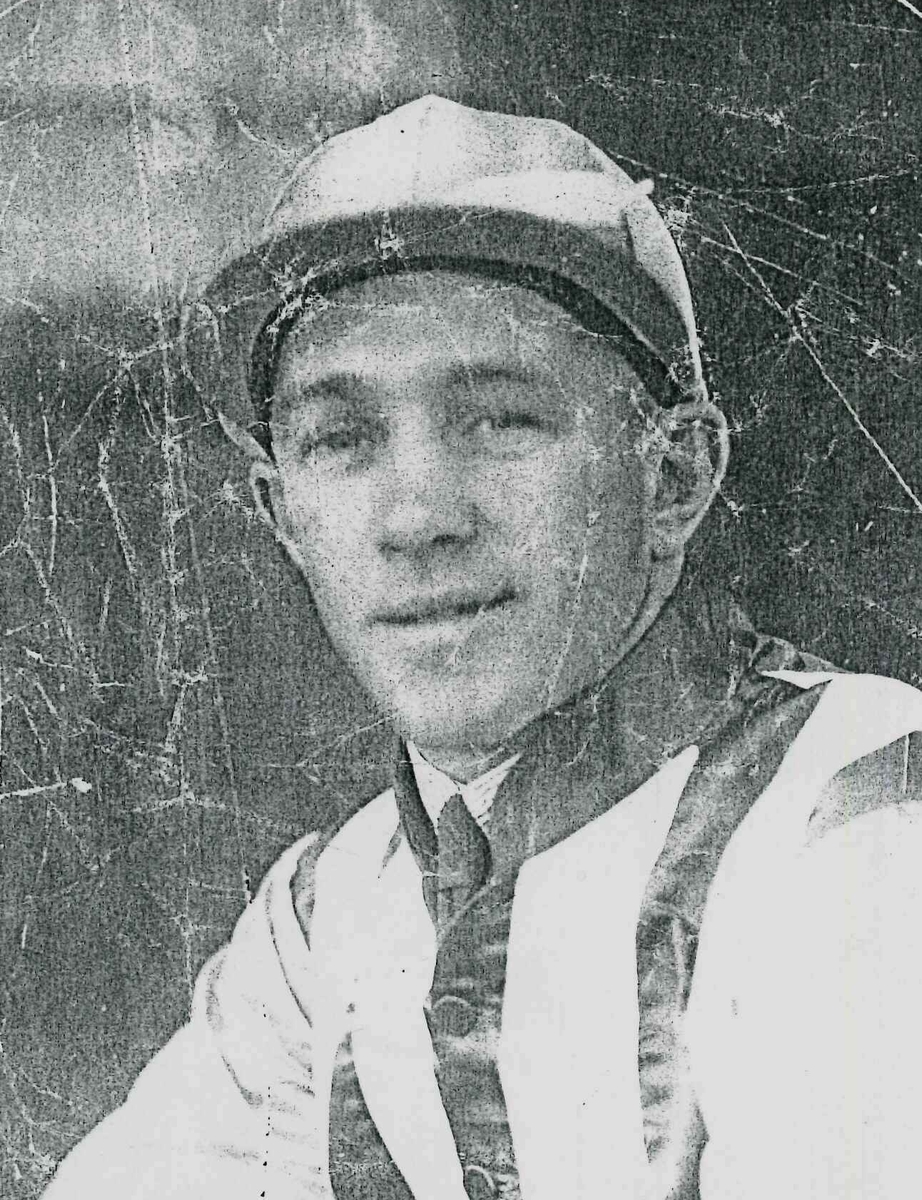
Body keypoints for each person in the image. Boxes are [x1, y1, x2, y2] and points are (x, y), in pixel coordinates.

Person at [44, 95, 922, 1200]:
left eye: (500, 419)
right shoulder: (327, 913)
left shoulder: (861, 815)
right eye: (342, 439)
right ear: (281, 517)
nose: (418, 520)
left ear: (675, 477)